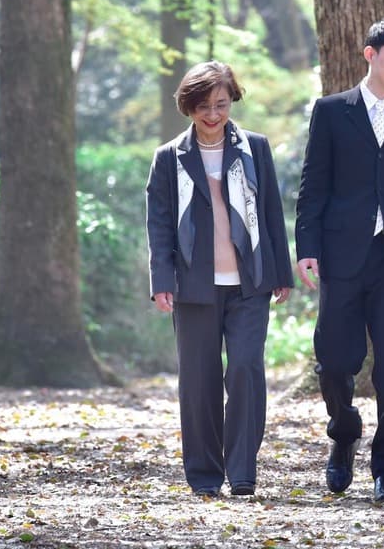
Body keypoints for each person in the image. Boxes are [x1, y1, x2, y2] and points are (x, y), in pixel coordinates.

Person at [294, 17, 384, 505]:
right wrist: (307, 248)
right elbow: (313, 184)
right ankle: (344, 431)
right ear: (370, 54)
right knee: (334, 359)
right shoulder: (332, 111)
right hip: (341, 253)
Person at [145, 61, 294, 498]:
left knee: (246, 369)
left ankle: (243, 472)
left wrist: (280, 272)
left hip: (250, 283)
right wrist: (161, 280)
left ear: (232, 101)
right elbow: (158, 223)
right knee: (199, 380)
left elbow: (270, 213)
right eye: (204, 106)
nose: (213, 114)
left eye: (221, 104)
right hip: (193, 286)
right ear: (188, 107)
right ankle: (205, 475)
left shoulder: (255, 148)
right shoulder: (169, 157)